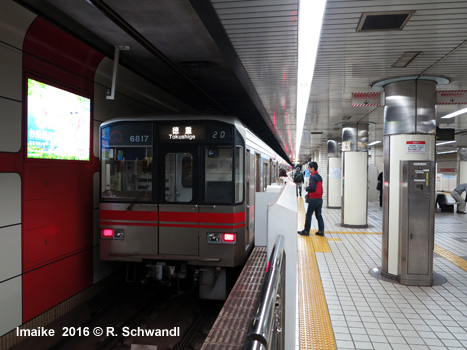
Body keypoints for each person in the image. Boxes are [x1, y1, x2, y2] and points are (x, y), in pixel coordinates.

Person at [298, 162, 324, 236]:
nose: (308, 169)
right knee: (319, 215)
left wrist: (307, 188)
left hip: (313, 199)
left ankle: (306, 231)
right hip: (319, 199)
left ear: (313, 168)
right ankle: (321, 231)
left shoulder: (313, 177)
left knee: (308, 215)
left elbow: (312, 188)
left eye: (309, 167)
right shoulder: (319, 176)